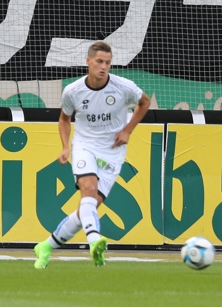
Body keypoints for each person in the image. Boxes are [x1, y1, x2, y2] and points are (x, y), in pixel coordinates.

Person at [32, 40, 151, 270]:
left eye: (107, 62)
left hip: (113, 152)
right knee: (88, 189)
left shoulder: (122, 87)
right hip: (85, 146)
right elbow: (64, 119)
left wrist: (128, 130)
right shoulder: (73, 91)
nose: (104, 66)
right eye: (99, 61)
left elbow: (144, 102)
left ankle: (45, 247)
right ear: (88, 61)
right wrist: (66, 147)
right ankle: (95, 240)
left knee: (85, 210)